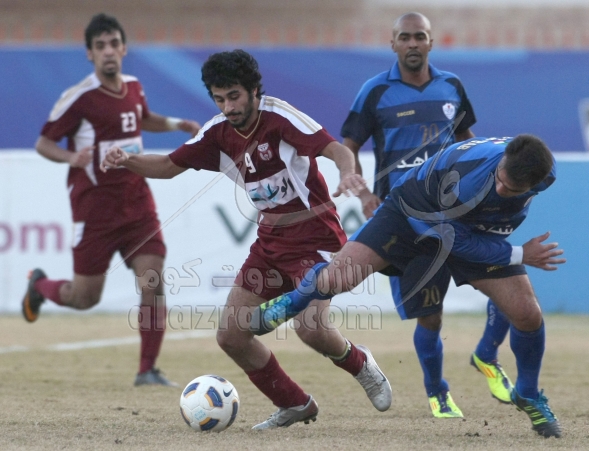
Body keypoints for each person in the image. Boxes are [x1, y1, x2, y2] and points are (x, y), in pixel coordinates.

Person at [100, 49, 393, 429]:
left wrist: (348, 173)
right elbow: (169, 166)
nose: (229, 107)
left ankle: (360, 364)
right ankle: (295, 404)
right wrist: (127, 160)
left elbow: (336, 149)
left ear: (255, 90)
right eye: (219, 99)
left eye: (235, 96)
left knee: (311, 330)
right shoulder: (217, 133)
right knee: (231, 335)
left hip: (315, 237)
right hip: (269, 243)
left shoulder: (280, 117)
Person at [252, 135, 565, 438]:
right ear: (502, 161)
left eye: (511, 189)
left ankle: (528, 394)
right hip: (412, 213)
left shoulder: (544, 173)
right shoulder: (468, 180)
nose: (500, 188)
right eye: (500, 179)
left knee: (527, 314)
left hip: (474, 230)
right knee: (338, 279)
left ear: (535, 183)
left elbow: (465, 236)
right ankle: (293, 302)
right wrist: (520, 254)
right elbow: (451, 240)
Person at [340, 11, 512, 417]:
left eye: (420, 36)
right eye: (405, 37)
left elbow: (470, 141)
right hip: (408, 219)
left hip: (461, 213)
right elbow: (348, 145)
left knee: (509, 287)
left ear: (431, 42)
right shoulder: (375, 91)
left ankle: (486, 354)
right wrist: (363, 193)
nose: (413, 43)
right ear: (393, 44)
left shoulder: (451, 86)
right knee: (431, 318)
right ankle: (438, 393)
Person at [22, 13, 201, 387]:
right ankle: (39, 285)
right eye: (100, 46)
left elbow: (142, 118)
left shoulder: (133, 86)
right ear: (89, 53)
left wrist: (176, 124)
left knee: (152, 280)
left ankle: (147, 370)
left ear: (124, 48)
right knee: (84, 298)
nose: (108, 51)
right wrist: (72, 157)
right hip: (95, 212)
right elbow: (43, 142)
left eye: (113, 44)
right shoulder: (79, 98)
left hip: (137, 204)